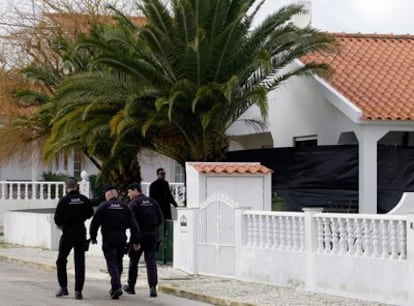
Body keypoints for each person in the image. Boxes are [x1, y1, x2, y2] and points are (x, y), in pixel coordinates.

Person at [89, 185, 141, 300]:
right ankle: (114, 287)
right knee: (118, 262)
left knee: (112, 263)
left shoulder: (104, 206)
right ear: (116, 194)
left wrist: (93, 237)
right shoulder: (125, 207)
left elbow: (95, 223)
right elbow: (134, 224)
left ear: (108, 195)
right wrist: (136, 240)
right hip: (121, 237)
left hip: (109, 238)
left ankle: (117, 287)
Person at [54, 177, 94, 300]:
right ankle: (78, 291)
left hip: (67, 232)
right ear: (77, 186)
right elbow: (90, 213)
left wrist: (64, 224)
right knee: (80, 261)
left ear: (67, 186)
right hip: (80, 232)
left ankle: (63, 287)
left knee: (61, 260)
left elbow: (57, 219)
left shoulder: (64, 201)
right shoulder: (84, 199)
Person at [124, 182, 163, 297]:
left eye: (129, 192)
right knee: (151, 261)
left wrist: (136, 241)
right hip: (151, 234)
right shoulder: (152, 202)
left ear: (136, 190)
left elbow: (131, 222)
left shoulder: (134, 203)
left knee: (134, 261)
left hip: (139, 235)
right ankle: (152, 287)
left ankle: (131, 286)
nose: (128, 195)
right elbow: (160, 219)